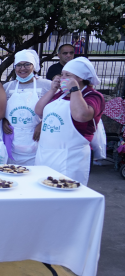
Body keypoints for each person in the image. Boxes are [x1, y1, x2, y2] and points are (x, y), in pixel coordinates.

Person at [35, 57, 105, 185]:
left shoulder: (93, 96)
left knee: (66, 196)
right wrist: (52, 90)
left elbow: (81, 116)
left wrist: (74, 90)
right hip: (45, 155)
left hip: (70, 159)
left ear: (80, 78)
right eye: (62, 74)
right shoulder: (60, 94)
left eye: (67, 75)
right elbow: (39, 111)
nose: (62, 78)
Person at [2, 50, 53, 165]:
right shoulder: (7, 87)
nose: (22, 68)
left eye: (27, 64)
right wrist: (4, 121)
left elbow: (57, 109)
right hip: (13, 138)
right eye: (19, 65)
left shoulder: (47, 85)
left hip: (37, 138)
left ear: (34, 66)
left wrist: (42, 124)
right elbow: (1, 108)